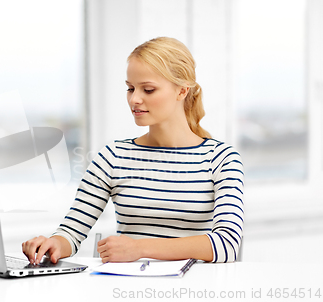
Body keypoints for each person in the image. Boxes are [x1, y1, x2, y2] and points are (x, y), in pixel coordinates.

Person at [22, 37, 244, 264]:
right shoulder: (113, 156)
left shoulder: (221, 159)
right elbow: (71, 232)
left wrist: (140, 248)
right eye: (130, 88)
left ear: (182, 91)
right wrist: (53, 244)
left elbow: (227, 244)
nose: (134, 99)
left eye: (148, 89)